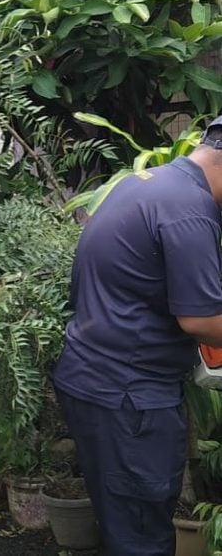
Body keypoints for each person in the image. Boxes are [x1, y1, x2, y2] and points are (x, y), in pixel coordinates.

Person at [53, 116, 222, 555]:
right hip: (129, 395)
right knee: (141, 537)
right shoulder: (189, 211)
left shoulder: (151, 182)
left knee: (126, 524)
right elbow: (203, 321)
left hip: (98, 379)